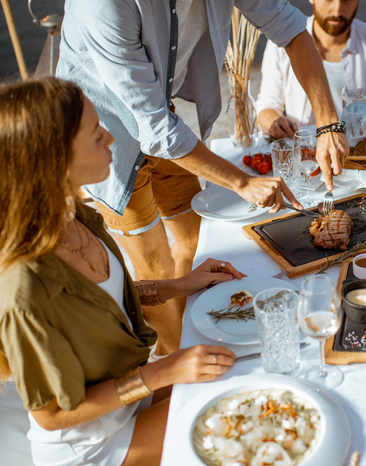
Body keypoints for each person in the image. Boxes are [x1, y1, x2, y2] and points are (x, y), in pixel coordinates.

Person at [56, 0, 348, 354]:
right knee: (155, 266)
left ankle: (188, 341)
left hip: (165, 118)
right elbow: (155, 130)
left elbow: (291, 29)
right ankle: (175, 368)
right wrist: (242, 182)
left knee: (196, 247)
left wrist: (328, 123)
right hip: (102, 138)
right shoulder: (102, 5)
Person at [0, 77, 243, 466]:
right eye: (94, 135)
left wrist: (181, 284)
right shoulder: (21, 287)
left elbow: (101, 302)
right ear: (53, 161)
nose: (111, 137)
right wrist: (163, 371)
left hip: (130, 397)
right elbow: (50, 415)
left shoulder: (79, 217)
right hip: (94, 444)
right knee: (235, 412)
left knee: (241, 367)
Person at [255, 0, 366, 139]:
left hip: (359, 153)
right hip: (304, 153)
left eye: (346, 0)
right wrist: (276, 123)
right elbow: (267, 106)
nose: (337, 10)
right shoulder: (282, 43)